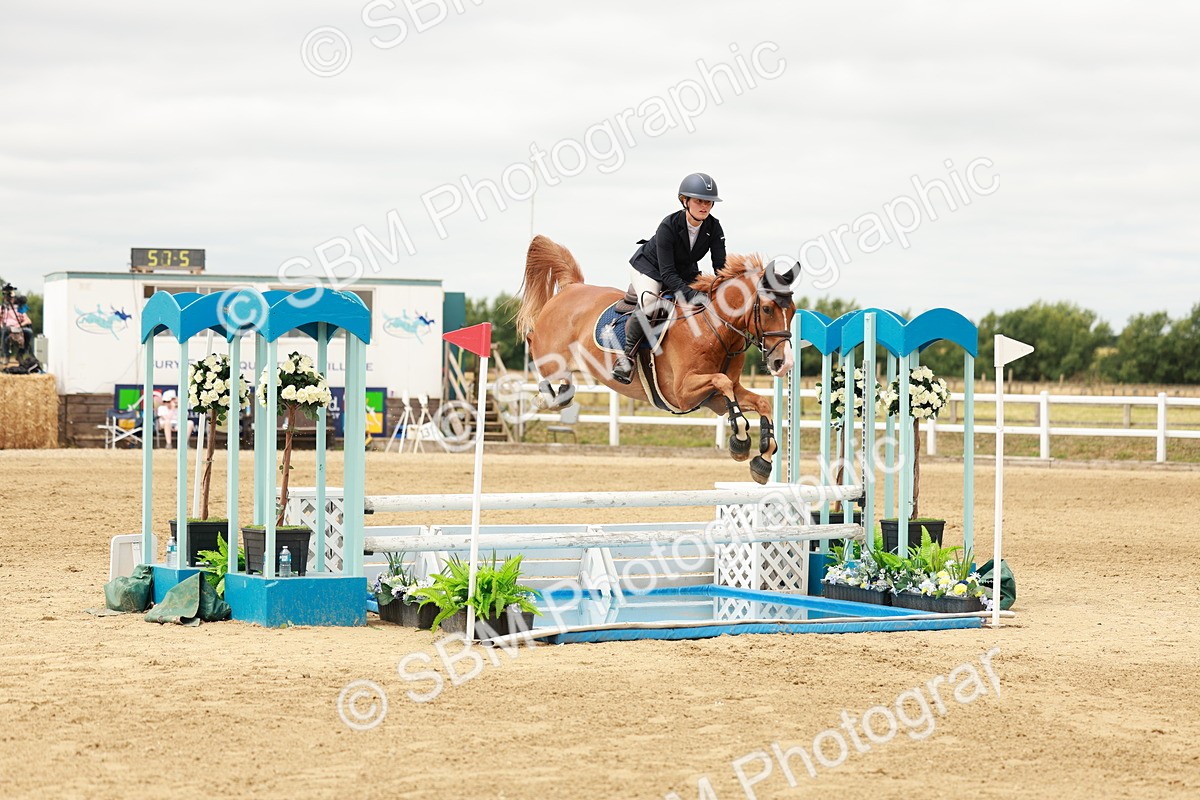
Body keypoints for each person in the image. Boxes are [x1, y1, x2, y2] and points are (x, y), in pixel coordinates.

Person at [613, 172, 727, 384]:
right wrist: (692, 294)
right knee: (649, 302)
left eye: (709, 202)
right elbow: (667, 273)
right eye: (699, 201)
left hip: (684, 272)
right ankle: (626, 358)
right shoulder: (668, 225)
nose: (705, 206)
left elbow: (720, 267)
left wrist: (724, 291)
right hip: (650, 268)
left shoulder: (714, 227)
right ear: (685, 201)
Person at [1, 295, 34, 362]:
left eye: (12, 298)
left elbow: (28, 320)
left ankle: (20, 354)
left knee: (29, 332)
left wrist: (19, 325)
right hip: (7, 327)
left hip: (18, 328)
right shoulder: (3, 308)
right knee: (4, 331)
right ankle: (6, 356)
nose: (11, 300)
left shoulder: (19, 309)